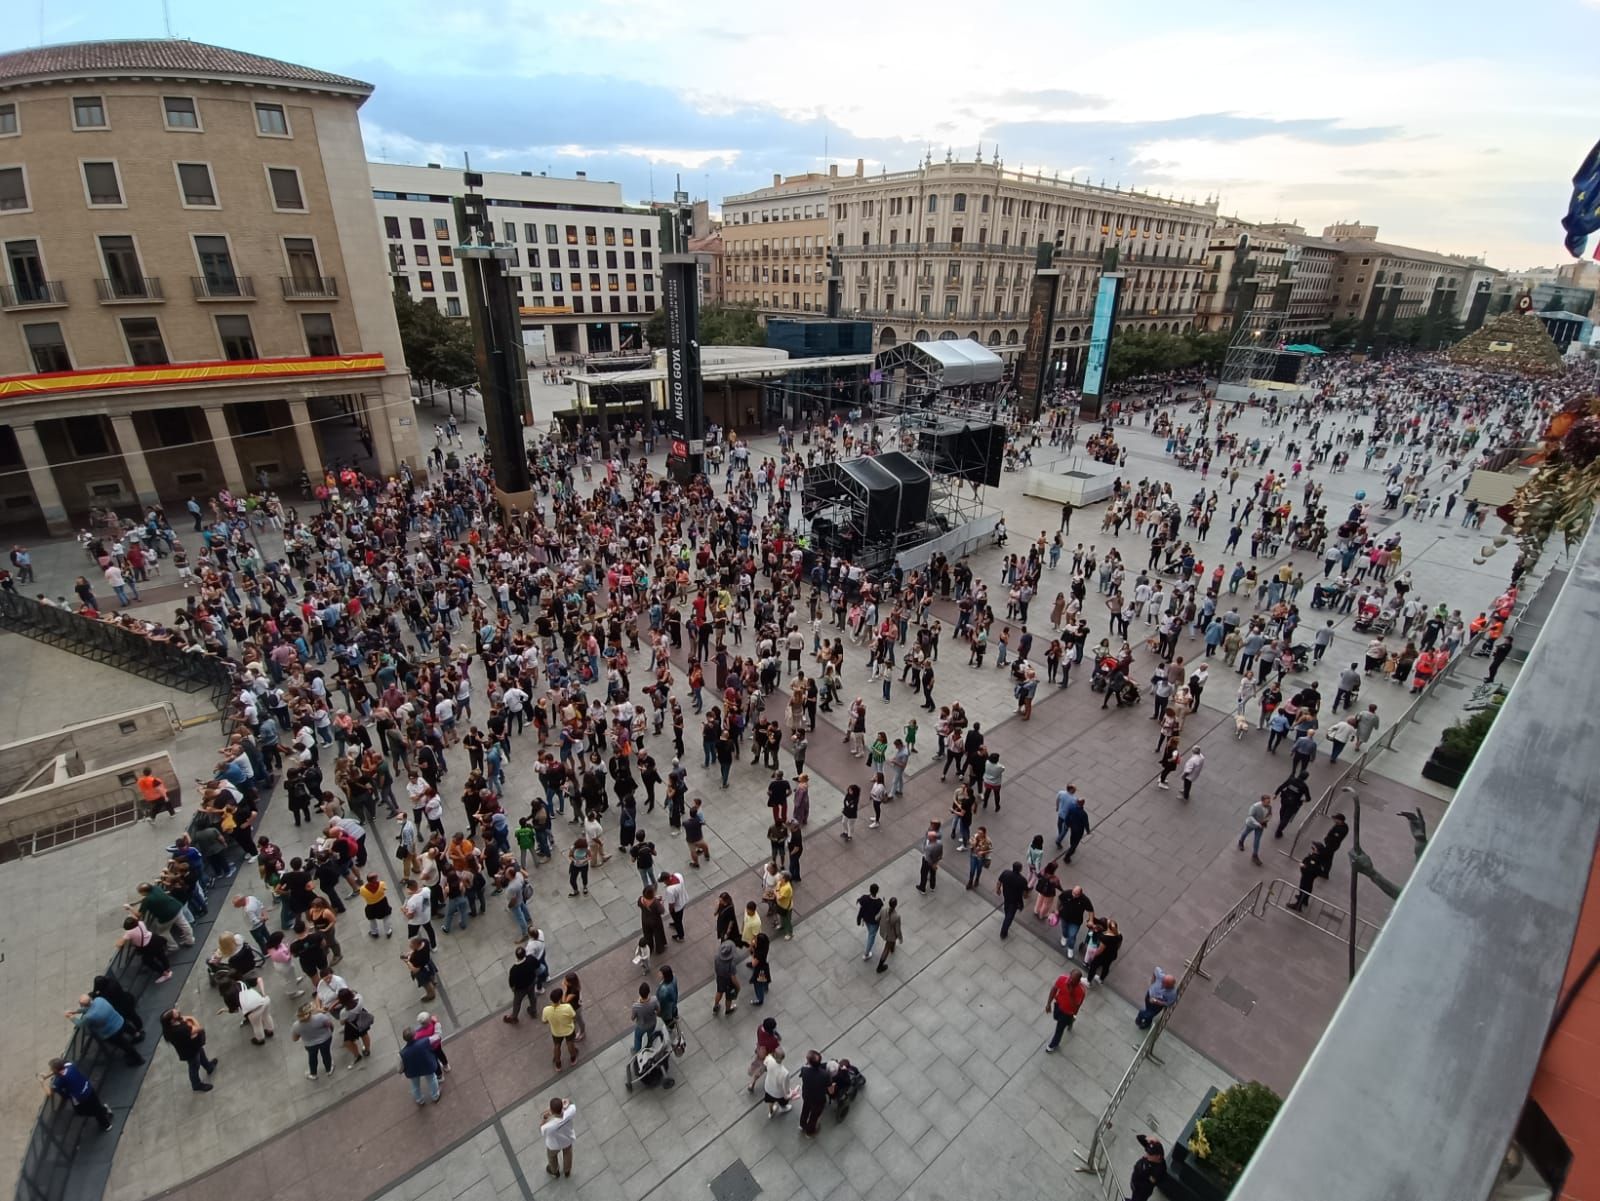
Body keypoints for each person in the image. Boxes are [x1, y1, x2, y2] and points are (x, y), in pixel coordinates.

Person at [66, 993, 144, 1067]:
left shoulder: (89, 1016)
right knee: (129, 1029)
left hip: (111, 1032)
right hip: (119, 1020)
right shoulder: (99, 1000)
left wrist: (71, 1017)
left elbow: (81, 1024)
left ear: (82, 1005)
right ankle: (138, 1036)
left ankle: (138, 1059)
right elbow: (90, 1007)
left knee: (125, 1045)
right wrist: (76, 1011)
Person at [42, 1058, 114, 1132]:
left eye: (52, 1068)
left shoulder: (59, 1081)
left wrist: (42, 1083)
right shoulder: (70, 1065)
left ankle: (107, 1124)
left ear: (55, 1070)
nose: (51, 1070)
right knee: (96, 1107)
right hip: (89, 1088)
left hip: (82, 1098)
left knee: (81, 1111)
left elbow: (49, 1093)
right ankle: (103, 1111)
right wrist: (47, 1076)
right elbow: (60, 1069)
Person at [159, 1008, 217, 1091]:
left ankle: (209, 1067)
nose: (178, 1012)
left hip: (193, 1046)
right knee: (194, 1066)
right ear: (172, 1020)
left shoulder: (170, 1027)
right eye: (175, 1013)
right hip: (190, 1052)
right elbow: (198, 1028)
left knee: (202, 1055)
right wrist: (192, 1018)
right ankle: (196, 1084)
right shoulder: (179, 1030)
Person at [1043, 968, 1087, 1052]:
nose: (1070, 981)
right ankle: (1070, 1022)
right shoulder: (1062, 978)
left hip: (1068, 1013)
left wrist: (1071, 994)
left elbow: (1075, 1006)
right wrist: (1048, 1004)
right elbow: (1054, 989)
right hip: (1058, 1005)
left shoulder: (1081, 991)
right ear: (1069, 974)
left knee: (1059, 1029)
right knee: (1056, 1017)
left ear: (1078, 981)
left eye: (1073, 981)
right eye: (1070, 978)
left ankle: (1053, 1045)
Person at [291, 1001, 335, 1081]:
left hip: (310, 1045)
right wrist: (330, 1032)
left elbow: (295, 1039)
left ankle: (313, 1074)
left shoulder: (296, 1026)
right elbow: (330, 1026)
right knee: (326, 1054)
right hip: (325, 1040)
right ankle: (329, 1069)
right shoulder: (320, 1017)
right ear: (310, 1011)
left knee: (312, 1058)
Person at [399, 1026, 442, 1105]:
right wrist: (437, 1025)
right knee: (432, 1080)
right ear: (415, 1035)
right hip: (427, 1067)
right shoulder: (425, 1041)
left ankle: (419, 1100)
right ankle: (435, 1096)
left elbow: (401, 1066)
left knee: (415, 1086)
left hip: (413, 1071)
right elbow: (437, 1037)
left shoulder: (402, 1052)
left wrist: (401, 1070)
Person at [541, 987, 580, 1070]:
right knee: (570, 1043)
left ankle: (558, 1063)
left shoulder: (546, 1010)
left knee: (557, 1046)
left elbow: (544, 1021)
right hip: (568, 1030)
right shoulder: (567, 1007)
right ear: (560, 998)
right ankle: (573, 1058)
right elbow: (574, 1016)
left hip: (556, 1032)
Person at [796, 1049, 831, 1136]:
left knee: (805, 1109)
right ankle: (810, 1131)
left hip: (807, 1096)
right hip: (818, 1099)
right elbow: (830, 1089)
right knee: (814, 1116)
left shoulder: (804, 1070)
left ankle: (802, 1124)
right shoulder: (825, 1075)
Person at [541, 1097, 578, 1178]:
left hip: (554, 1145)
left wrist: (544, 1118)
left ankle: (554, 1170)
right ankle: (567, 1170)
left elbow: (542, 1129)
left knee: (552, 1157)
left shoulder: (549, 1126)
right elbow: (572, 1104)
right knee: (568, 1153)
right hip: (567, 1140)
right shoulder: (570, 1112)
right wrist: (566, 1101)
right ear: (562, 1106)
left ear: (552, 1111)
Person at [503, 945, 541, 1024]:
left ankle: (514, 1017)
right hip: (531, 982)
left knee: (517, 1002)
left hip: (520, 989)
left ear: (516, 956)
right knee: (532, 996)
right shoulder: (530, 958)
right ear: (525, 953)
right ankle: (533, 1011)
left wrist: (513, 989)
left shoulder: (514, 969)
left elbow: (511, 983)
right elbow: (538, 965)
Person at [746, 1016, 781, 1093]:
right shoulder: (772, 1040)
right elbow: (775, 1048)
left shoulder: (760, 1028)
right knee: (761, 1070)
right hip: (767, 1056)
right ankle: (752, 1083)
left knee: (757, 1063)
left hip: (759, 1050)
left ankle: (752, 1078)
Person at [1129, 1135, 1169, 1201]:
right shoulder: (1154, 1155)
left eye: (1150, 1154)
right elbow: (1138, 1137)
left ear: (1158, 1156)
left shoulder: (1158, 1170)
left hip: (1141, 1192)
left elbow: (1147, 1183)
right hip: (1136, 1185)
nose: (1147, 1155)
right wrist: (1148, 1138)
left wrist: (1142, 1168)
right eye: (1147, 1151)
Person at [994, 861, 1028, 939]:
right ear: (1020, 869)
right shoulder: (1022, 880)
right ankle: (1003, 932)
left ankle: (1006, 916)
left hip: (1006, 896)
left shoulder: (1006, 873)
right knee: (1010, 916)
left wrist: (998, 889)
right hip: (1015, 900)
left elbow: (999, 882)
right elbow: (1025, 894)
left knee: (1006, 908)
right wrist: (1025, 896)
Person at [1237, 795, 1272, 865]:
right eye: (1267, 802)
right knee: (1245, 833)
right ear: (1262, 801)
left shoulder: (1269, 807)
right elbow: (1250, 816)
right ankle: (1241, 841)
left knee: (1257, 840)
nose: (1268, 803)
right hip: (1252, 824)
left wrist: (1267, 820)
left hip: (1261, 826)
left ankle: (1255, 855)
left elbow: (1270, 814)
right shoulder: (1255, 807)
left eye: (1269, 802)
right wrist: (1257, 824)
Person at [760, 1046, 793, 1118]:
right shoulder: (785, 1072)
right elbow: (785, 1087)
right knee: (782, 1102)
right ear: (782, 1058)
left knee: (770, 1101)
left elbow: (765, 1065)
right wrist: (788, 1094)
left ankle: (771, 1112)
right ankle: (783, 1108)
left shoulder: (769, 1059)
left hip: (768, 1087)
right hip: (779, 1093)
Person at [631, 982, 660, 1053]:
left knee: (638, 1038)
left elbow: (632, 1018)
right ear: (649, 992)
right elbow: (658, 1010)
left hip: (641, 1026)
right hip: (652, 1023)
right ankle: (649, 1045)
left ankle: (637, 1051)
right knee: (650, 1035)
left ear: (639, 993)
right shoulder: (654, 1000)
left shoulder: (636, 1006)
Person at [856, 883, 884, 960]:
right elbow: (881, 913)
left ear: (870, 890)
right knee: (871, 937)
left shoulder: (864, 898)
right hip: (874, 923)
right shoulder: (879, 902)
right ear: (877, 891)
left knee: (870, 932)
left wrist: (859, 919)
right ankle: (866, 954)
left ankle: (867, 953)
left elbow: (861, 906)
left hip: (866, 919)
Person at [875, 897, 902, 974]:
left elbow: (876, 918)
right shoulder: (897, 916)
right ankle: (880, 966)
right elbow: (897, 930)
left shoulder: (883, 910)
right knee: (886, 948)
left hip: (883, 932)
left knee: (890, 944)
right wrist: (900, 938)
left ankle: (892, 948)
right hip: (890, 936)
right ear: (896, 905)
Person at [915, 822, 943, 893]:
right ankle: (932, 886)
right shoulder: (938, 842)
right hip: (933, 860)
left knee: (923, 873)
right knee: (933, 873)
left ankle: (922, 888)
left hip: (927, 860)